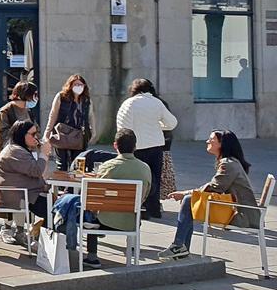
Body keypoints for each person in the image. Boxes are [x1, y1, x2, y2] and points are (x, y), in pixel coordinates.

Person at [54, 129, 151, 269]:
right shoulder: (145, 168)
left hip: (103, 221)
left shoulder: (107, 167)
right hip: (131, 221)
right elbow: (145, 195)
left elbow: (95, 199)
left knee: (88, 207)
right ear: (135, 146)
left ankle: (92, 257)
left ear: (115, 145)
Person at [159, 130, 260, 261]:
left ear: (221, 144)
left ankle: (179, 245)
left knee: (189, 200)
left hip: (242, 215)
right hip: (235, 209)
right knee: (189, 201)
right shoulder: (229, 162)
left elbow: (213, 188)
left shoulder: (228, 164)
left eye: (211, 139)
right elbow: (212, 187)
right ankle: (181, 247)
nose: (207, 141)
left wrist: (185, 193)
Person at [115, 78, 178, 219]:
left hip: (136, 147)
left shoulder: (128, 103)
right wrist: (159, 127)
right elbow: (172, 123)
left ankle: (138, 207)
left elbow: (123, 128)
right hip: (156, 146)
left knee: (137, 178)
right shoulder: (157, 102)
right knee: (154, 178)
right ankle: (154, 209)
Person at [0, 119, 53, 247]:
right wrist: (43, 154)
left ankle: (40, 238)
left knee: (58, 207)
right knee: (56, 212)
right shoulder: (15, 151)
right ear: (21, 134)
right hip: (21, 196)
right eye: (32, 134)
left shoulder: (18, 150)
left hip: (27, 194)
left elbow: (40, 173)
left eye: (36, 134)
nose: (36, 137)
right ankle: (44, 242)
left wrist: (44, 155)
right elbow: (37, 171)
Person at [45, 74, 95, 171]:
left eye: (81, 85)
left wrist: (93, 131)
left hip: (79, 135)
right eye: (76, 84)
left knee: (78, 165)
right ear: (70, 85)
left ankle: (74, 186)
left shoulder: (86, 100)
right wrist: (47, 134)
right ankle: (61, 185)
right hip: (62, 133)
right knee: (62, 164)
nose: (79, 87)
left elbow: (91, 116)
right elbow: (53, 115)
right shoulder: (61, 96)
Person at [0, 81, 38, 151]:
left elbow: (36, 130)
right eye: (34, 95)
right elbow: (1, 136)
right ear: (26, 95)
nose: (36, 98)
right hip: (11, 154)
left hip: (28, 154)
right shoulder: (5, 111)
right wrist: (24, 140)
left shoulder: (28, 111)